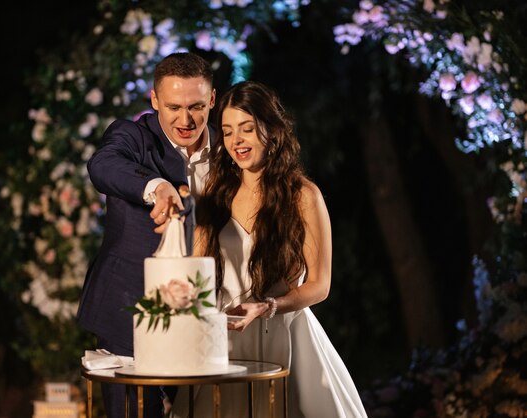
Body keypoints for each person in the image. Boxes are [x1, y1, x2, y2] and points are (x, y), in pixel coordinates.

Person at [171, 81, 367, 417]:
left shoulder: (303, 196)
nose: (236, 141)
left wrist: (269, 307)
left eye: (247, 129)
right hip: (226, 339)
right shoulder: (215, 196)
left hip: (284, 334)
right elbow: (196, 275)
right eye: (229, 131)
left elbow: (320, 285)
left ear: (271, 130)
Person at [77, 52, 216, 418]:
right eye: (173, 107)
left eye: (196, 107)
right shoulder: (133, 136)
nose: (185, 120)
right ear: (154, 101)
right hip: (132, 313)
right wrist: (158, 187)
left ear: (212, 100)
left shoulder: (229, 148)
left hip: (207, 319)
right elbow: (103, 166)